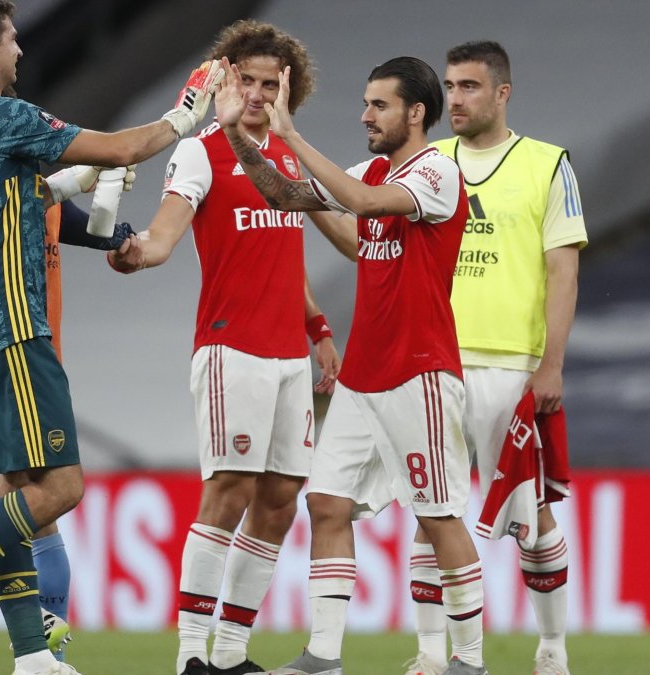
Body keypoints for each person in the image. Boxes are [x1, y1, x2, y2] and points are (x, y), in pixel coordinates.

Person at [0, 2, 220, 674]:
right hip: (11, 331)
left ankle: (33, 655)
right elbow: (122, 145)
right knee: (59, 488)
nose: (21, 52)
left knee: (11, 490)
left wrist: (98, 207)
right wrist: (187, 114)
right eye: (11, 39)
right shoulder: (3, 117)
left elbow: (32, 201)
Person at [213, 55, 488, 675]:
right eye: (365, 102)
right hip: (365, 373)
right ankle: (324, 656)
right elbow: (289, 196)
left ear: (416, 113)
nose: (365, 115)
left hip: (419, 371)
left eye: (380, 105)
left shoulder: (438, 171)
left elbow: (361, 202)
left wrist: (291, 136)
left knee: (438, 515)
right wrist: (237, 135)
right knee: (328, 504)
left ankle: (469, 661)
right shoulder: (375, 169)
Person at [106, 20, 339, 675]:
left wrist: (316, 326)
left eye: (273, 83)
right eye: (249, 80)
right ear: (224, 79)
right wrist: (135, 255)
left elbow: (283, 255)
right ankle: (190, 656)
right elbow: (162, 236)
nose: (260, 93)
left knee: (280, 497)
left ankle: (232, 654)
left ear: (290, 88)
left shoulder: (290, 155)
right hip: (230, 348)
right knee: (229, 491)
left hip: (288, 355)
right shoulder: (202, 151)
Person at [390, 40, 586, 675]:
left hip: (510, 364)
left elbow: (563, 271)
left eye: (470, 87)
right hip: (432, 361)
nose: (455, 99)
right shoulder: (427, 161)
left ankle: (552, 648)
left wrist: (551, 364)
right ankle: (427, 654)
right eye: (449, 86)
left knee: (535, 517)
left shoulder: (547, 164)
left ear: (503, 93)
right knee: (431, 510)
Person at [0, 197, 135, 662]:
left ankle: (24, 631)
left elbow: (78, 220)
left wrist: (122, 234)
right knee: (32, 516)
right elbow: (77, 207)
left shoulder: (6, 179)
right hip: (22, 365)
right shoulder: (18, 184)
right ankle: (46, 656)